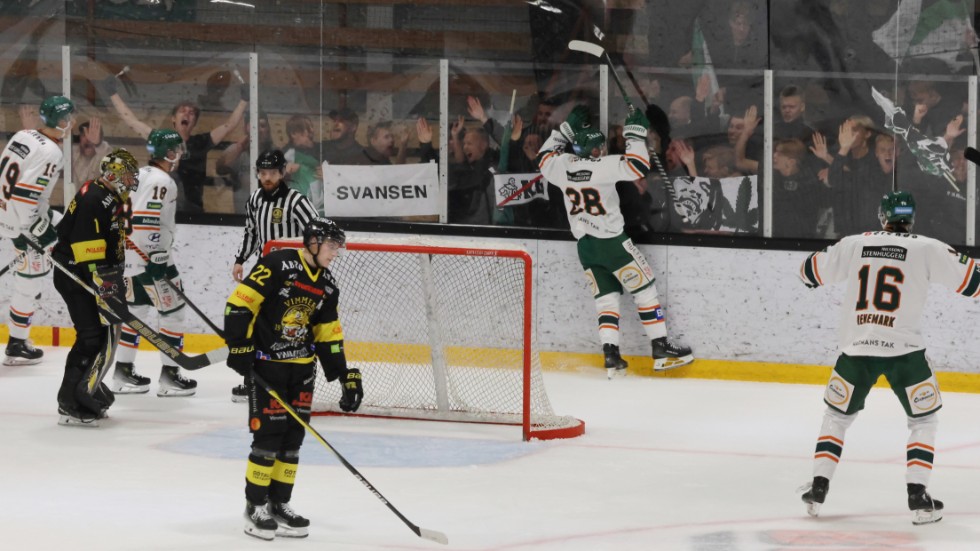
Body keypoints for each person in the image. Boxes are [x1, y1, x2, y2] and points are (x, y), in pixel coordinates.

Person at [797, 191, 974, 525]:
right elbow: (974, 283)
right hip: (904, 355)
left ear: (883, 217)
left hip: (856, 352)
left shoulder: (854, 243)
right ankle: (918, 497)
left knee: (836, 417)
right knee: (923, 421)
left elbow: (807, 273)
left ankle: (819, 487)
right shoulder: (928, 247)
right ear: (912, 218)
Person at [223, 217, 363, 540]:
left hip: (302, 371)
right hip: (268, 366)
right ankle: (254, 506)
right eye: (331, 245)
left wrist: (344, 374)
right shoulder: (277, 264)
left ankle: (279, 503)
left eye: (337, 247)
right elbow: (239, 304)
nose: (335, 252)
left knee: (292, 441)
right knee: (268, 437)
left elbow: (328, 334)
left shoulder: (327, 285)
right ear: (313, 242)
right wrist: (241, 345)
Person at [538, 105, 694, 376]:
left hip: (586, 247)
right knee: (645, 289)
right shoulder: (604, 167)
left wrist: (564, 130)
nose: (603, 150)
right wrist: (634, 134)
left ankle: (612, 357)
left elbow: (543, 157)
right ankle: (660, 348)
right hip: (612, 243)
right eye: (600, 147)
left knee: (606, 300)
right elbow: (637, 166)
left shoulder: (562, 166)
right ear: (596, 150)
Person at [51, 149, 140, 426]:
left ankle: (87, 386)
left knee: (102, 336)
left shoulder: (106, 194)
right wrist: (101, 283)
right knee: (91, 336)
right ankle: (70, 399)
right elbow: (87, 251)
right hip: (77, 276)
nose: (131, 180)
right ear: (113, 174)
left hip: (91, 273)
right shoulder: (95, 198)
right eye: (127, 174)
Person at [110, 129, 198, 397]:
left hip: (127, 259)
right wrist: (156, 257)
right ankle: (170, 377)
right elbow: (147, 221)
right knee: (172, 314)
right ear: (169, 153)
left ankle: (123, 372)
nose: (180, 155)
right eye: (177, 150)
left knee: (135, 312)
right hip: (152, 259)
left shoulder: (136, 175)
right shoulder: (163, 181)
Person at [230, 149, 318, 402]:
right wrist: (240, 259)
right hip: (262, 272)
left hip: (290, 274)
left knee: (289, 327)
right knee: (256, 326)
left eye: (272, 173)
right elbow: (251, 233)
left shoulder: (296, 201)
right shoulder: (255, 198)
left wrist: (308, 267)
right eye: (263, 173)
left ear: (282, 173)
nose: (267, 178)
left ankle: (293, 380)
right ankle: (254, 381)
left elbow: (315, 231)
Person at [0, 95, 75, 365]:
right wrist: (35, 230)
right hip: (23, 221)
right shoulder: (52, 152)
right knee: (29, 282)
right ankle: (17, 343)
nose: (72, 122)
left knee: (70, 230)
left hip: (8, 213)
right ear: (63, 121)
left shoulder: (24, 135)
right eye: (70, 118)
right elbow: (24, 196)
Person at [104, 73, 248, 212]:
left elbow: (229, 126)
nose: (186, 114)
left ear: (194, 122)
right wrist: (113, 94)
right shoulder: (161, 139)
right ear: (173, 119)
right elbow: (132, 121)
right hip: (162, 209)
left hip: (193, 211)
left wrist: (244, 100)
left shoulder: (201, 142)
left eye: (191, 113)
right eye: (182, 111)